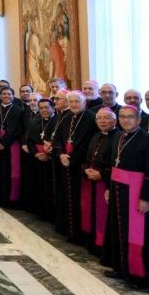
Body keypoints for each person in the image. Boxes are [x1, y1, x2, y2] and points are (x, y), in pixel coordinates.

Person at [101, 105, 149, 287]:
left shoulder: (148, 140)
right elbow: (111, 163)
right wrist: (108, 187)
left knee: (137, 234)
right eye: (122, 116)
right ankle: (121, 268)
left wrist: (146, 197)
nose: (125, 120)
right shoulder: (118, 136)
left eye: (130, 117)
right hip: (118, 189)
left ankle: (139, 275)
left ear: (138, 119)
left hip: (136, 192)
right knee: (118, 229)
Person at [52, 91, 96, 243]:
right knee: (66, 197)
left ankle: (77, 234)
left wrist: (71, 158)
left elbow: (89, 143)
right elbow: (57, 138)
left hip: (79, 166)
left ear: (84, 103)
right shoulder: (67, 117)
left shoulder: (90, 118)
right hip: (64, 162)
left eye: (77, 101)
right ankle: (66, 229)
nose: (73, 104)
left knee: (79, 200)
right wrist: (60, 154)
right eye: (71, 102)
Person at [82, 108, 117, 255]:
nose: (102, 121)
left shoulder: (118, 137)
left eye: (106, 118)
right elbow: (87, 157)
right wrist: (85, 169)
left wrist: (102, 174)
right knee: (92, 213)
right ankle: (93, 244)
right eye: (99, 118)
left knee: (104, 216)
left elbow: (116, 163)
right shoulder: (96, 135)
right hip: (91, 180)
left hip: (106, 182)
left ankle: (103, 247)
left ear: (114, 121)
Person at [25, 98, 58, 221]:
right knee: (37, 184)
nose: (44, 110)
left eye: (46, 107)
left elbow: (58, 141)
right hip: (37, 158)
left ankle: (50, 213)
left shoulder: (57, 121)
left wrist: (48, 154)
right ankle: (38, 210)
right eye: (41, 108)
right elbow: (30, 141)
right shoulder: (35, 120)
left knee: (49, 186)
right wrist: (36, 154)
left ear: (53, 108)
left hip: (51, 159)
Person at [0, 86, 26, 208]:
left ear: (13, 96)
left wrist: (4, 142)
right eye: (4, 94)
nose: (6, 96)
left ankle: (11, 200)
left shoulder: (19, 110)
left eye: (9, 94)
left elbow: (19, 129)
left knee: (10, 172)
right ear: (0, 96)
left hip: (12, 145)